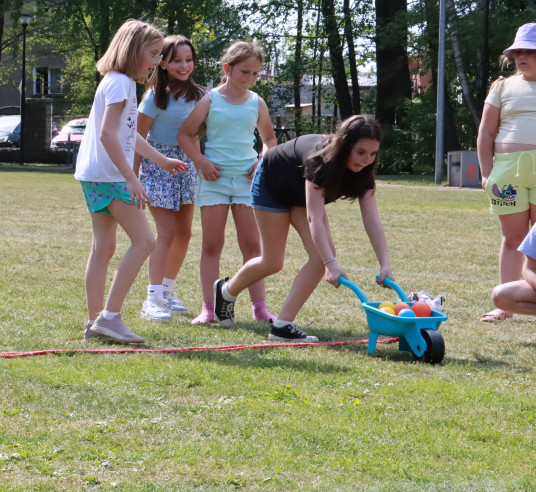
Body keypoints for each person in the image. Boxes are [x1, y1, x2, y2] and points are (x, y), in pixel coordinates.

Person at [212, 115, 392, 342]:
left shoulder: (364, 173)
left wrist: (385, 264)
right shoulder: (321, 160)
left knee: (321, 256)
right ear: (345, 145)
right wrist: (330, 265)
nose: (366, 160)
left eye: (373, 154)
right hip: (272, 183)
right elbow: (314, 217)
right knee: (273, 261)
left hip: (299, 193)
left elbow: (372, 220)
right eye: (360, 152)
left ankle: (282, 326)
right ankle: (226, 291)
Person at [75, 19, 188, 344]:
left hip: (93, 175)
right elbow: (107, 133)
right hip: (110, 176)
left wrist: (161, 160)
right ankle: (110, 318)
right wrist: (130, 178)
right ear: (133, 50)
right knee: (146, 241)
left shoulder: (114, 81)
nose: (158, 62)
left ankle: (95, 320)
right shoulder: (122, 84)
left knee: (104, 248)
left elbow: (127, 135)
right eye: (153, 54)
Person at [177, 40, 277, 326]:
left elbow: (269, 140)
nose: (250, 78)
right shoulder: (210, 99)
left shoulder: (257, 102)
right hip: (214, 182)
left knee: (253, 247)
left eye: (255, 74)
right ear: (227, 69)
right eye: (245, 72)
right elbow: (185, 135)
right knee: (212, 245)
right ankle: (209, 309)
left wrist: (262, 160)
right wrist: (201, 162)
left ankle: (260, 308)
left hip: (247, 184)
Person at [133, 35, 203, 322]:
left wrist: (198, 167)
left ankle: (167, 291)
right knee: (167, 232)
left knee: (184, 233)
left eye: (188, 59)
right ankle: (151, 299)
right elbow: (135, 137)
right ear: (162, 63)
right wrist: (133, 177)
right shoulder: (154, 97)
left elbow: (195, 137)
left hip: (187, 167)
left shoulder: (199, 96)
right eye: (176, 60)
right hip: (157, 164)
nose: (184, 65)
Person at [477, 23, 536, 322]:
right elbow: (486, 133)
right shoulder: (501, 87)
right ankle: (505, 306)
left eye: (530, 51)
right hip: (507, 172)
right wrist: (486, 173)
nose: (522, 57)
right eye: (517, 52)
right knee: (513, 238)